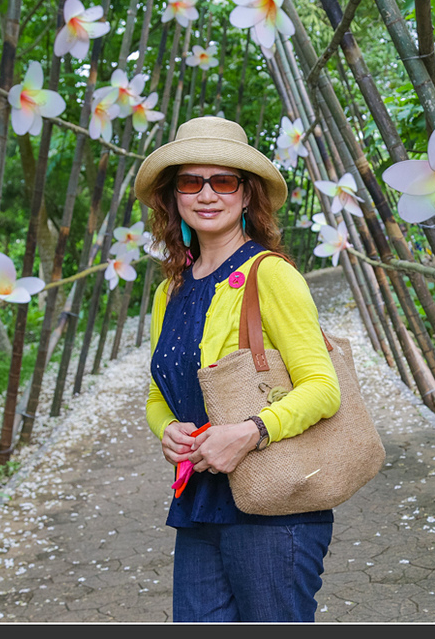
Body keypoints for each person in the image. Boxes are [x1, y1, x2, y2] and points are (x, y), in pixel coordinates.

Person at [134, 115, 342, 622]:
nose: (207, 194)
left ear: (247, 195)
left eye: (222, 181)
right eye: (191, 181)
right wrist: (169, 430)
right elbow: (158, 394)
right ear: (174, 196)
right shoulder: (170, 290)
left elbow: (323, 388)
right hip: (200, 500)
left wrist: (250, 431)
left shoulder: (269, 274)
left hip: (272, 508)